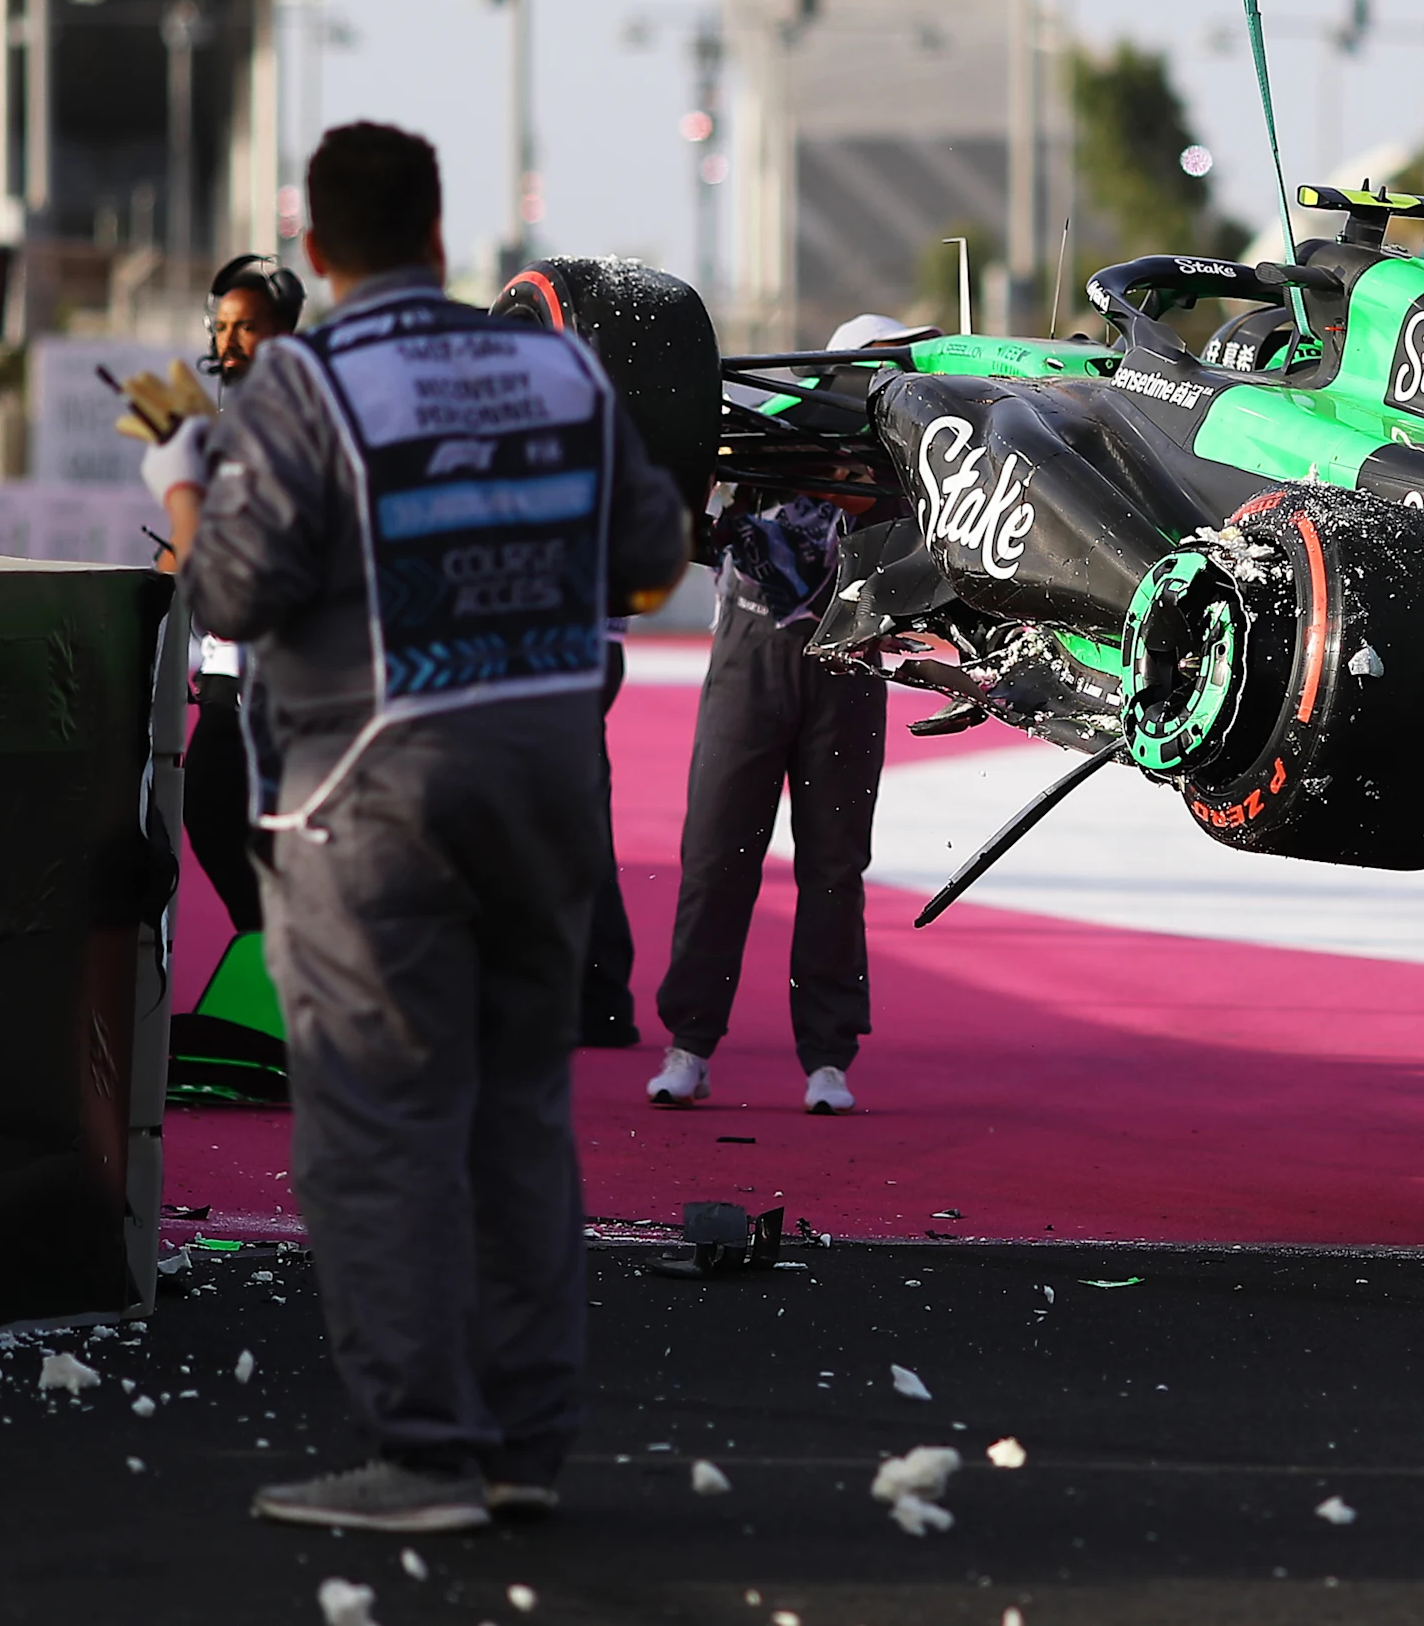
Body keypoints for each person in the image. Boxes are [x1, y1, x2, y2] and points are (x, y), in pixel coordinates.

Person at [152, 121, 688, 1535]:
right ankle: (521, 1445)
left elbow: (236, 599)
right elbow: (648, 559)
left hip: (371, 806)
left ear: (317, 253)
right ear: (443, 233)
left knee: (378, 1129)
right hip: (545, 787)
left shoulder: (307, 385)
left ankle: (425, 1453)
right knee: (519, 1119)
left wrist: (182, 485)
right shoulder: (561, 365)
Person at [645, 313, 906, 1118]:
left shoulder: (906, 463)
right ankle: (689, 1043)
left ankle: (828, 1056)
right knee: (716, 853)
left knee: (835, 867)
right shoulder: (763, 436)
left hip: (848, 667)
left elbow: (913, 550)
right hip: (749, 660)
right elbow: (697, 518)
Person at [175, 253, 307, 942]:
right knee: (217, 810)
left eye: (246, 327)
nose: (227, 341)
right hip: (232, 672)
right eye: (221, 325)